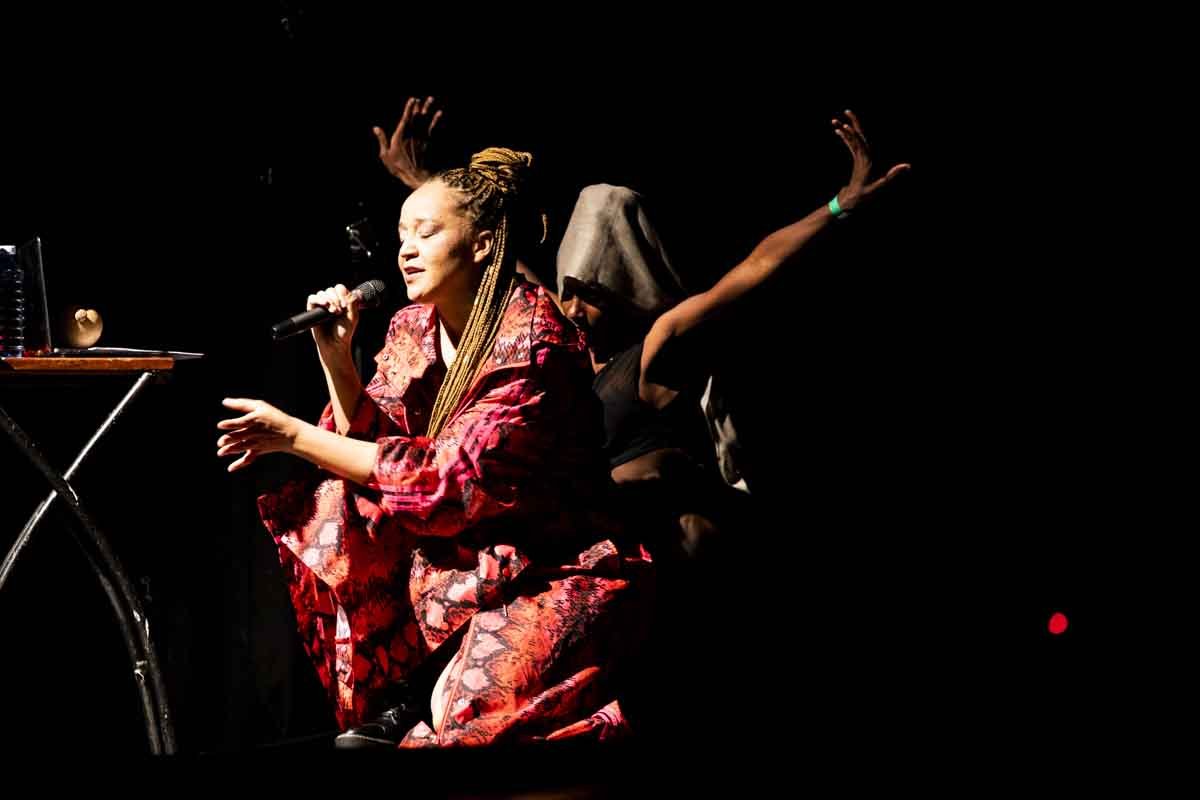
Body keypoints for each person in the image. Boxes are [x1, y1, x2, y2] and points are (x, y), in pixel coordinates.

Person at [217, 147, 651, 747]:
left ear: (481, 245)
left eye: (426, 233)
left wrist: (294, 435)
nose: (406, 250)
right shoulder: (412, 327)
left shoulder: (533, 343)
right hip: (454, 561)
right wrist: (337, 359)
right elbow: (374, 452)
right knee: (338, 498)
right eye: (401, 235)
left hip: (548, 565)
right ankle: (405, 689)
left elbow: (444, 486)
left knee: (471, 726)